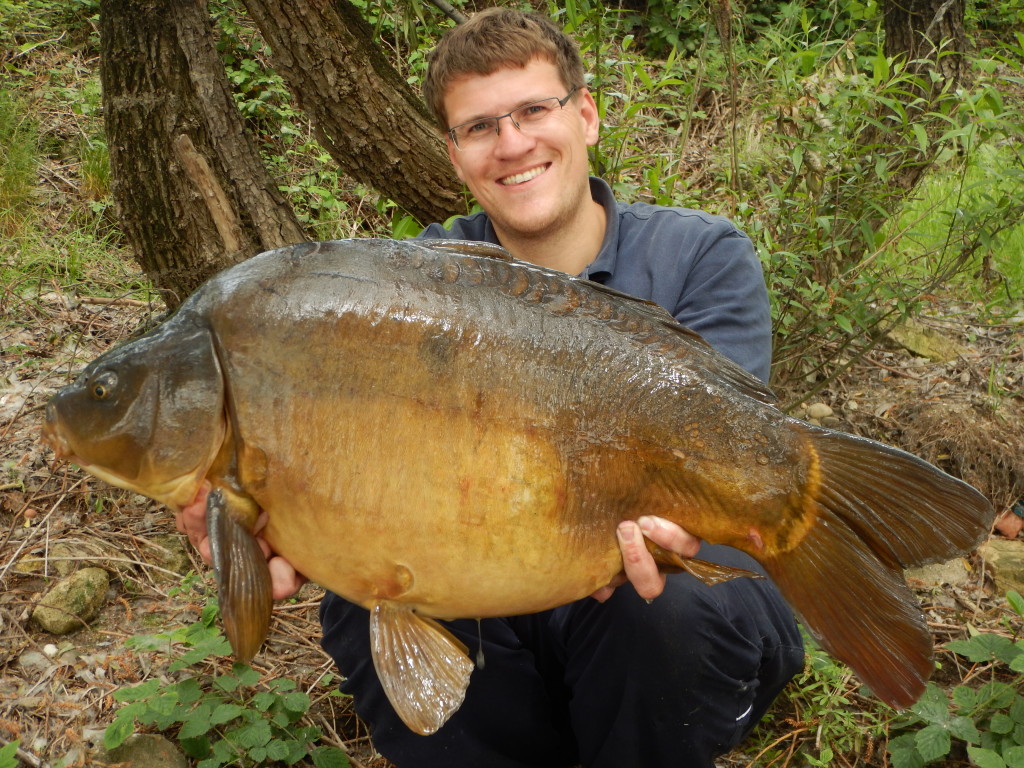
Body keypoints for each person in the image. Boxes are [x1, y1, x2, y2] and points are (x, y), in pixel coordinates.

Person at [177, 8, 804, 767]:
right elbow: (363, 475)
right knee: (362, 603)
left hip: (678, 581)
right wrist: (286, 520)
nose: (512, 144)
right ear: (454, 153)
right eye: (479, 128)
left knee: (662, 607)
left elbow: (734, 455)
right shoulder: (412, 290)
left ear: (587, 114)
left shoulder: (700, 254)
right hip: (493, 588)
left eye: (534, 110)